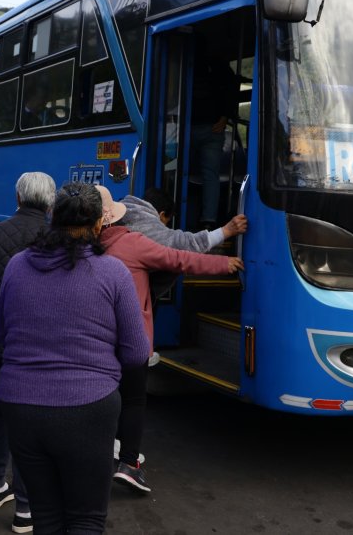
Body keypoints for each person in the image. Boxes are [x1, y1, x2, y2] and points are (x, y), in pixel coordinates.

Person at [0, 182, 150, 534]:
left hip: (20, 406)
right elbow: (137, 353)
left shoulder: (17, 266)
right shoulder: (113, 273)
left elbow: (3, 335)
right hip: (89, 408)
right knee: (85, 519)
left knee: (46, 516)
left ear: (52, 217)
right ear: (99, 224)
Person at [96, 185, 243, 494]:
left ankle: (97, 450)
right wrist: (223, 261)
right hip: (130, 337)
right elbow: (180, 256)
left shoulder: (81, 247)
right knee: (134, 399)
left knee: (103, 396)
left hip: (94, 337)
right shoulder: (132, 242)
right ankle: (128, 464)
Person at [0, 171, 55, 533]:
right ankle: (23, 508)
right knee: (30, 425)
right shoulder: (54, 239)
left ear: (17, 199)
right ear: (50, 203)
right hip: (33, 345)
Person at [190, 53, 246, 229]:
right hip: (214, 127)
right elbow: (232, 90)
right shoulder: (221, 65)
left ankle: (177, 215)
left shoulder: (186, 61)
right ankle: (208, 220)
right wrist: (225, 117)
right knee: (210, 176)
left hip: (187, 127)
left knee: (182, 173)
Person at [121, 187, 247, 254]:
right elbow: (186, 243)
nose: (165, 227)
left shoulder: (122, 210)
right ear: (161, 215)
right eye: (166, 222)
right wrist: (227, 230)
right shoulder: (148, 226)